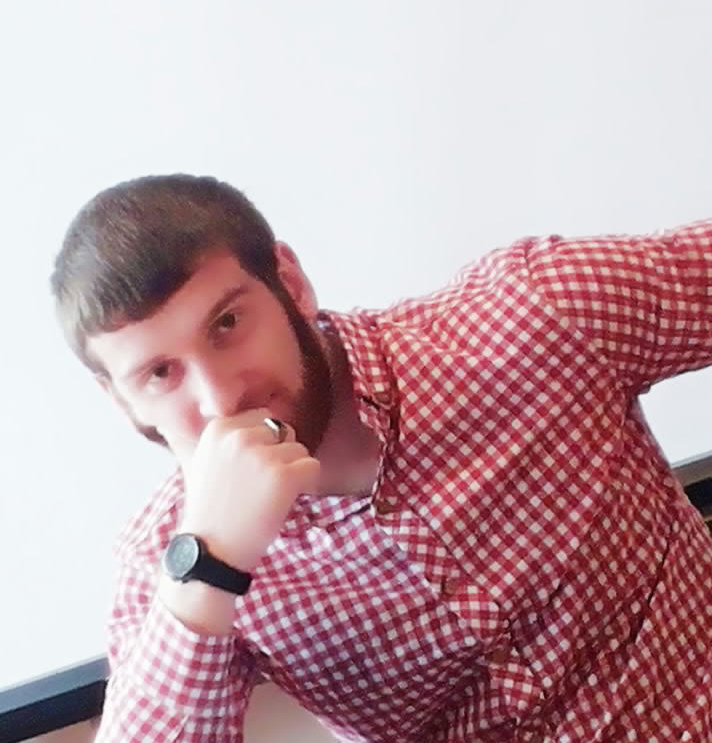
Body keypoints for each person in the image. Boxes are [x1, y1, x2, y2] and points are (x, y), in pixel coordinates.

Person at [51, 174, 712, 743]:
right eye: (160, 374)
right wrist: (209, 564)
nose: (220, 398)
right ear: (122, 402)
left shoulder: (535, 313)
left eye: (227, 324)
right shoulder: (166, 566)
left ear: (291, 284)